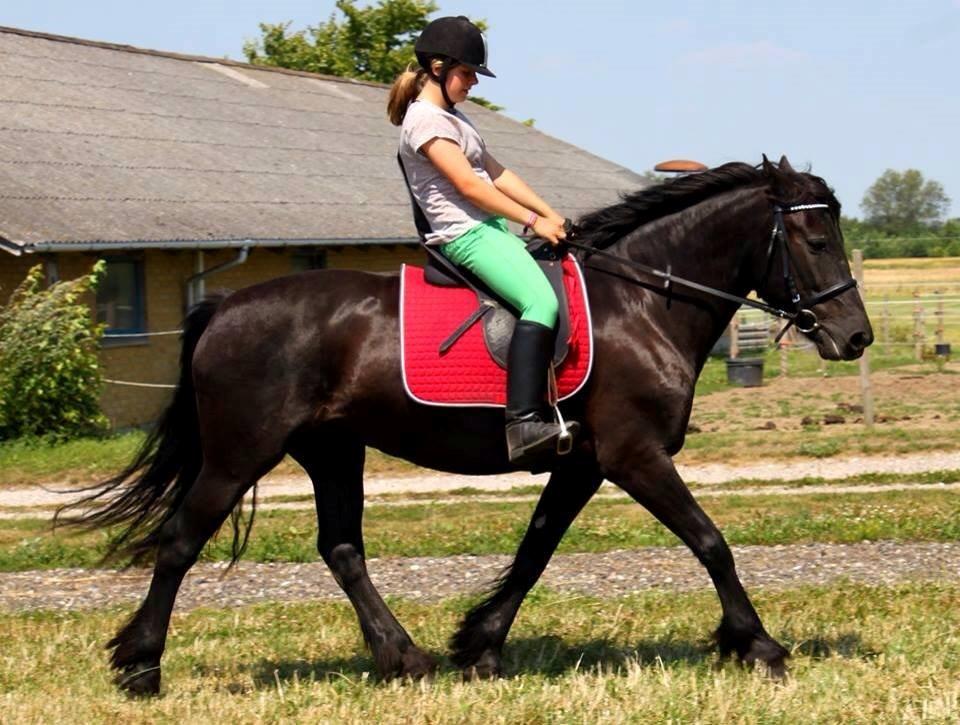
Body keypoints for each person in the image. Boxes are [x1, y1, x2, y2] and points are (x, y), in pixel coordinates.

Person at [387, 15, 579, 465]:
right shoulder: (423, 122)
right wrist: (533, 221)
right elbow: (472, 188)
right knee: (541, 304)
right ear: (438, 67)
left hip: (489, 228)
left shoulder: (455, 118)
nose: (473, 82)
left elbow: (497, 173)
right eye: (467, 73)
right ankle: (524, 422)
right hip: (463, 234)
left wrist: (552, 215)